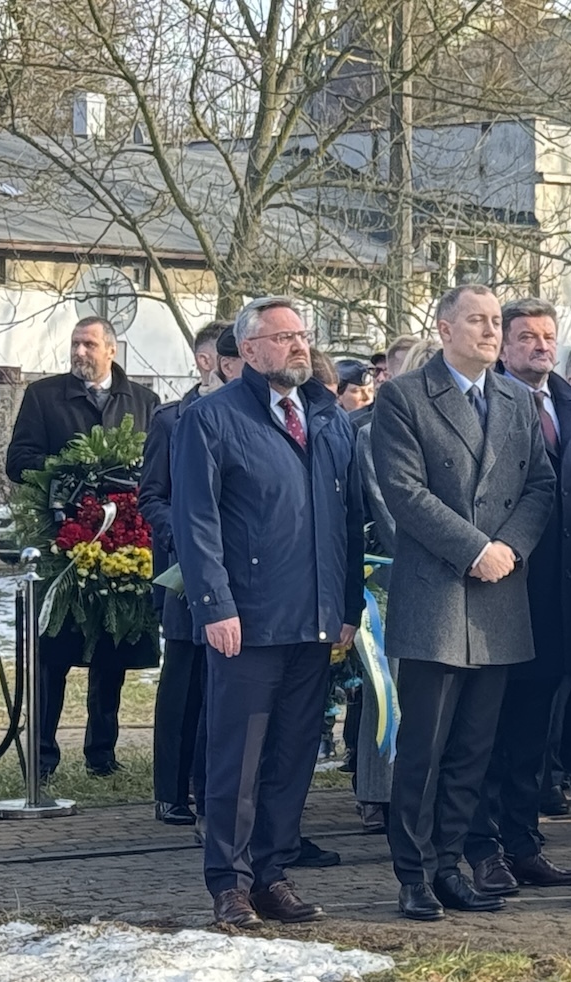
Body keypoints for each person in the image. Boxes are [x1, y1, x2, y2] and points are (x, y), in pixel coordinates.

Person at [173, 296, 364, 928]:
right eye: (283, 337)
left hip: (315, 617)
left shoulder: (327, 416)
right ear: (249, 350)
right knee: (240, 757)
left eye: (302, 335)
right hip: (248, 620)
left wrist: (348, 604)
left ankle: (272, 872)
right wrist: (215, 606)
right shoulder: (212, 418)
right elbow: (195, 522)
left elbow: (348, 519)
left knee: (292, 754)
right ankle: (229, 881)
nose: (298, 346)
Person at [373, 285, 557, 921]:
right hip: (439, 594)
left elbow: (541, 484)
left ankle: (451, 862)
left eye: (494, 321)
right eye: (477, 320)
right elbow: (403, 491)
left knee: (474, 747)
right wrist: (476, 548)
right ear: (444, 328)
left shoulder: (514, 397)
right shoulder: (404, 397)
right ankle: (414, 871)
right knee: (425, 745)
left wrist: (509, 547)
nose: (489, 330)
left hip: (501, 595)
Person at [461, 297, 571, 897]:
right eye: (527, 337)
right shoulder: (492, 401)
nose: (541, 345)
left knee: (534, 733)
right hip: (499, 587)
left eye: (548, 335)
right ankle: (482, 847)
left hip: (558, 594)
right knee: (489, 730)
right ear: (504, 347)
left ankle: (524, 840)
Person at [5, 316, 162, 780]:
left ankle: (101, 754)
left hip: (123, 541)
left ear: (111, 350)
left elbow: (156, 466)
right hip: (65, 541)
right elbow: (18, 461)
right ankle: (43, 755)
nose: (79, 352)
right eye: (74, 343)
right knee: (54, 651)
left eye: (88, 344)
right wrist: (72, 469)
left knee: (110, 650)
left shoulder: (144, 401)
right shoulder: (44, 396)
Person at [142, 320, 235, 827]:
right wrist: (184, 535)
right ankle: (171, 790)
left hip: (238, 570)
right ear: (211, 362)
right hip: (185, 571)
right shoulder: (172, 420)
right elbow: (151, 496)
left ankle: (210, 787)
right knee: (183, 682)